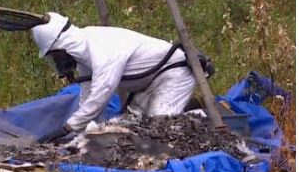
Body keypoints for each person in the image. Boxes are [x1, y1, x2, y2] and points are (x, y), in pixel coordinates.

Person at [31, 12, 205, 143]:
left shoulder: (100, 48)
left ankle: (201, 118)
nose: (57, 62)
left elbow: (101, 94)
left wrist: (67, 128)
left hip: (173, 74)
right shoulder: (84, 53)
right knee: (132, 128)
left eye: (55, 56)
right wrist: (78, 133)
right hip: (148, 84)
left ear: (63, 46)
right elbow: (87, 95)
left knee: (159, 130)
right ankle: (186, 108)